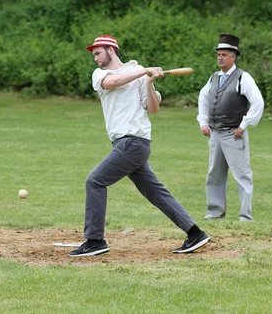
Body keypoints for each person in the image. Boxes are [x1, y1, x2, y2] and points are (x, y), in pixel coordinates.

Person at [68, 35, 210, 257]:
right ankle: (195, 233)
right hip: (126, 144)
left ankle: (95, 241)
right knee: (153, 190)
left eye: (98, 53)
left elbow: (153, 108)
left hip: (133, 142)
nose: (95, 58)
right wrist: (144, 72)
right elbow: (114, 82)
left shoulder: (139, 74)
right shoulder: (102, 75)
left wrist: (150, 82)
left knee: (94, 181)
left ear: (111, 50)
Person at [197, 34, 264, 221]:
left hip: (234, 134)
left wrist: (244, 125)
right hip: (215, 134)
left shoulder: (244, 77)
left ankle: (245, 216)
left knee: (242, 175)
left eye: (224, 54)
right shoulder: (213, 78)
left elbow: (258, 103)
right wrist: (203, 122)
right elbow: (203, 99)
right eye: (219, 54)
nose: (220, 57)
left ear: (233, 57)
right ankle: (214, 213)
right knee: (214, 175)